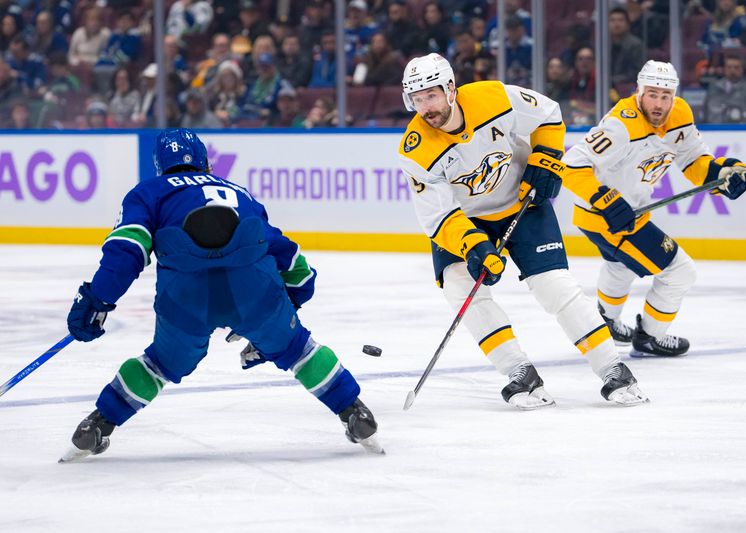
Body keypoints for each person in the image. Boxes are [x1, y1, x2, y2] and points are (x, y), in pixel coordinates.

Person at [61, 128, 382, 462]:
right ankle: (355, 413)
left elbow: (127, 250)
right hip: (254, 290)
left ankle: (97, 424)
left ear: (160, 165)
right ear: (205, 161)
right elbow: (296, 266)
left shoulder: (148, 192)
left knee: (159, 364)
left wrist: (99, 298)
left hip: (185, 297)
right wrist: (287, 308)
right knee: (297, 349)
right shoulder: (239, 193)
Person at [397, 53, 647, 409]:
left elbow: (548, 113)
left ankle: (613, 368)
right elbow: (438, 215)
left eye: (431, 95)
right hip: (466, 221)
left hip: (523, 203)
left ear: (450, 88)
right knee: (459, 287)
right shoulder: (416, 149)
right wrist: (473, 246)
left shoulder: (493, 97)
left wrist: (545, 158)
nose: (425, 107)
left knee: (554, 287)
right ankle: (519, 371)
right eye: (417, 99)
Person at [562, 60, 746, 357]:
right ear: (638, 91)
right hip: (605, 216)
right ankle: (650, 336)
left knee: (621, 264)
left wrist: (722, 173)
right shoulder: (621, 124)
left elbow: (692, 160)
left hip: (625, 213)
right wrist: (606, 200)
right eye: (652, 94)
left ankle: (607, 320)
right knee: (680, 272)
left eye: (666, 96)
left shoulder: (680, 113)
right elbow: (571, 165)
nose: (659, 104)